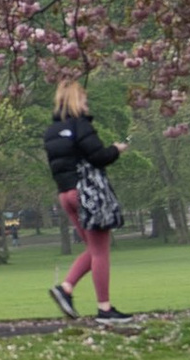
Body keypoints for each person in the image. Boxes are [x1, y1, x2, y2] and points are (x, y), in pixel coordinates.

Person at [43, 77, 128, 322]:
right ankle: (104, 308)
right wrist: (116, 149)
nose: (87, 103)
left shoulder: (51, 132)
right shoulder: (81, 126)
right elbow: (98, 156)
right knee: (101, 251)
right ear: (76, 100)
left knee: (93, 249)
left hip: (65, 194)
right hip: (86, 193)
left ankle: (66, 289)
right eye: (84, 99)